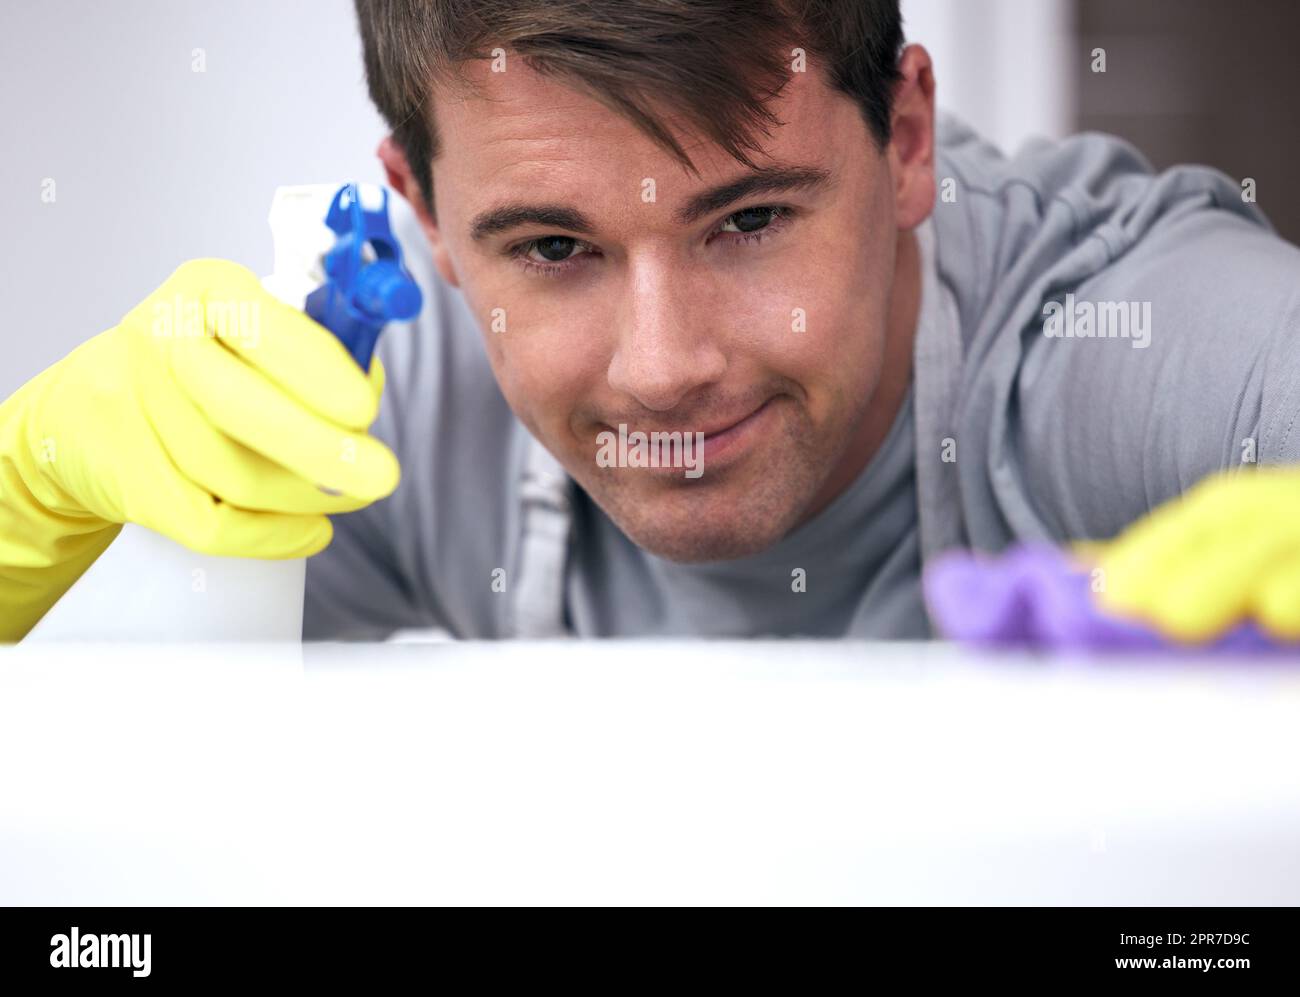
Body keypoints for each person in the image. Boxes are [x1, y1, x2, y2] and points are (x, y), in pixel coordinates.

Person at [3, 0, 1299, 643]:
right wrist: (33, 493)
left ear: (905, 141)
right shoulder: (370, 409)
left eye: (748, 223)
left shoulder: (1113, 341)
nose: (665, 367)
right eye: (555, 248)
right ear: (429, 217)